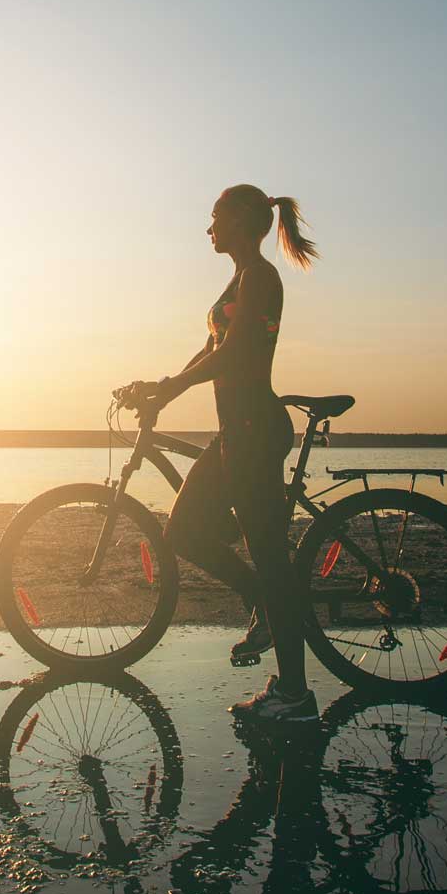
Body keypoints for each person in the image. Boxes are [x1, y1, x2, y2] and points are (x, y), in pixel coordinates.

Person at [126, 184, 319, 725]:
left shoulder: (260, 276)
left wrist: (172, 388)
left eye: (215, 216)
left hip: (256, 430)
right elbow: (212, 348)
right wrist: (163, 387)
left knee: (272, 560)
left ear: (239, 220)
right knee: (184, 532)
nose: (209, 227)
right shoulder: (238, 279)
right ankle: (263, 604)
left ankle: (295, 695)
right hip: (236, 430)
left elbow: (234, 352)